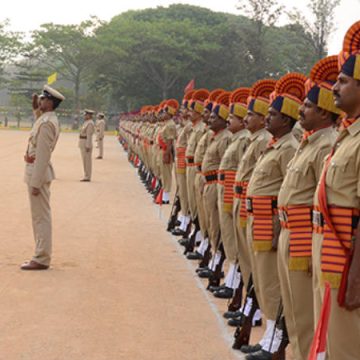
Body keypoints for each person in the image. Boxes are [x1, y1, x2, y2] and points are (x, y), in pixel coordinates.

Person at [277, 57, 340, 360]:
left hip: (308, 236)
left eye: (307, 106)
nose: (301, 110)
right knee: (294, 310)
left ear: (324, 110)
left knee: (307, 315)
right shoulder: (308, 143)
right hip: (292, 231)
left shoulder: (327, 144)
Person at [315, 21, 360, 359]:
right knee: (331, 337)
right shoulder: (346, 136)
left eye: (343, 82)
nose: (335, 88)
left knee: (347, 345)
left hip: (349, 258)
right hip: (331, 248)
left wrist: (357, 275)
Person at [21, 85, 65, 270]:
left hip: (38, 173)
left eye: (43, 99)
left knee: (41, 217)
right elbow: (38, 124)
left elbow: (43, 154)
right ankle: (40, 254)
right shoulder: (45, 119)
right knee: (38, 216)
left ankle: (41, 257)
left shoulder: (47, 123)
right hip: (34, 170)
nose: (40, 100)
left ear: (50, 102)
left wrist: (36, 182)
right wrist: (35, 109)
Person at [79, 109, 95, 182]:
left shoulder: (90, 123)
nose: (84, 116)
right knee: (84, 160)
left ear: (89, 115)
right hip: (83, 142)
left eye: (86, 115)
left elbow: (89, 135)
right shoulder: (86, 122)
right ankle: (86, 174)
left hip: (86, 143)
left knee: (87, 161)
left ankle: (88, 176)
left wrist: (88, 146)